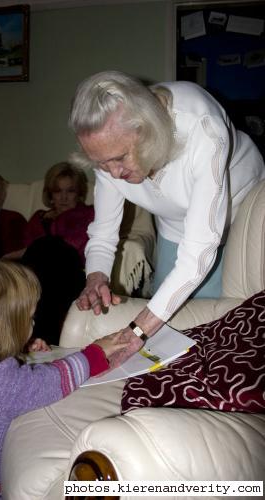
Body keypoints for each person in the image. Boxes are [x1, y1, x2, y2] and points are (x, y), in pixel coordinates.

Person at [69, 70, 265, 353]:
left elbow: (197, 255)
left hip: (243, 211)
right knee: (168, 326)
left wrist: (138, 330)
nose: (113, 173)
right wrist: (95, 277)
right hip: (175, 223)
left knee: (227, 325)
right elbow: (103, 233)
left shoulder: (201, 125)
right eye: (101, 164)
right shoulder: (108, 148)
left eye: (120, 158)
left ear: (148, 130)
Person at [0, 258, 129, 499]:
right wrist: (94, 353)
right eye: (29, 318)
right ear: (4, 326)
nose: (33, 324)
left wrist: (19, 348)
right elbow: (53, 381)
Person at [5, 162, 94, 344]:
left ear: (79, 194)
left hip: (69, 275)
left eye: (70, 191)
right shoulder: (38, 217)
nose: (63, 197)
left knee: (49, 245)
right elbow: (27, 251)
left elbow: (77, 245)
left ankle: (42, 336)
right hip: (34, 277)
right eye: (58, 191)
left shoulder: (88, 214)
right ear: (50, 194)